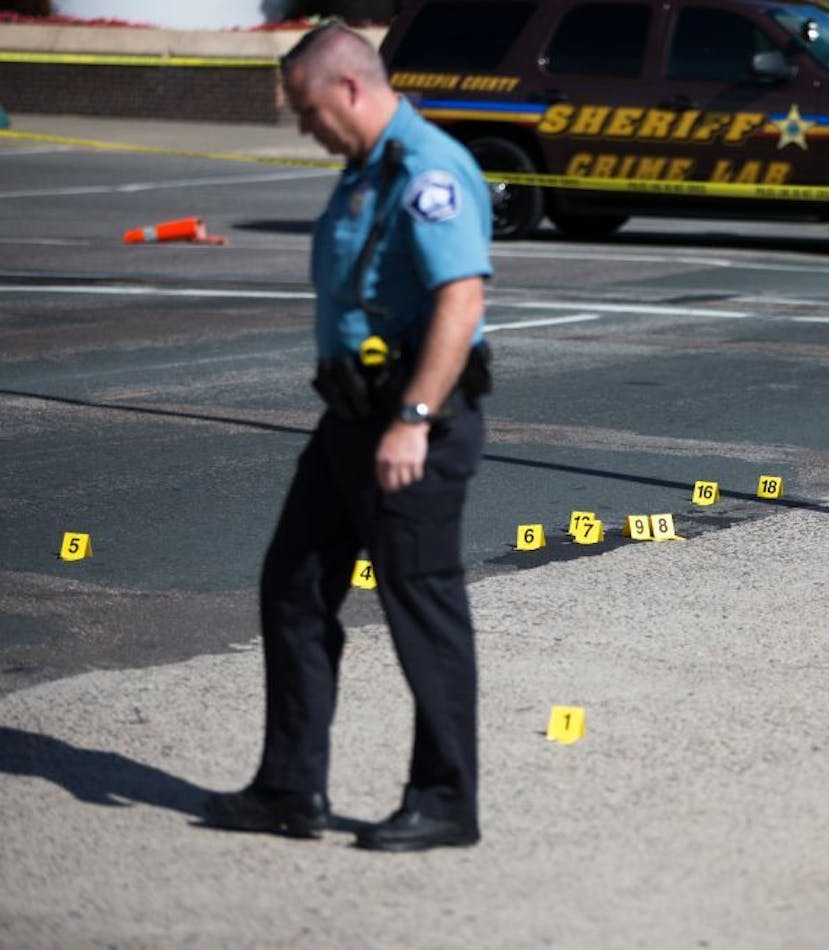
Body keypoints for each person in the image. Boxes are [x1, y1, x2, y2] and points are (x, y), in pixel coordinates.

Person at [203, 21, 493, 852]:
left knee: (421, 608)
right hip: (351, 420)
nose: (304, 128)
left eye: (306, 110)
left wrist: (412, 420)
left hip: (413, 428)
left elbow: (460, 302)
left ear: (351, 89)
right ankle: (290, 789)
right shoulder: (367, 169)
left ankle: (445, 802)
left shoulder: (427, 170)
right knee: (292, 587)